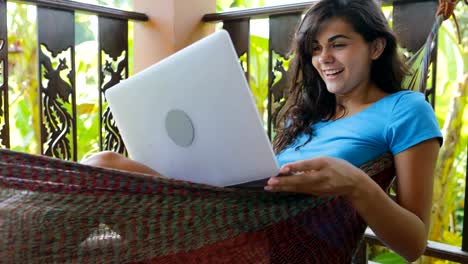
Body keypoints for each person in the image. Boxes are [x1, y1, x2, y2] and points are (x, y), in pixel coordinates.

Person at [83, 0, 442, 262]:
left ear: (376, 47)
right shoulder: (308, 119)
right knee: (98, 167)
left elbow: (413, 244)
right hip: (233, 215)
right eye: (315, 49)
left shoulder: (405, 110)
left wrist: (355, 183)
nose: (323, 59)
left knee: (100, 173)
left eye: (338, 44)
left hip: (279, 246)